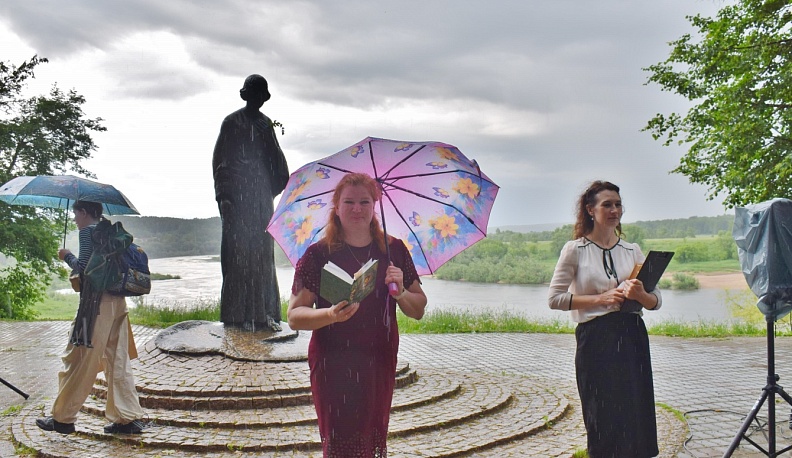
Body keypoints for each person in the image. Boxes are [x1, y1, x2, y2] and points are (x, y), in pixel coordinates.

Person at [287, 172, 427, 457]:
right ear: (336, 206)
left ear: (374, 205)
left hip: (378, 358)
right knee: (339, 440)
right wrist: (329, 314)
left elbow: (419, 308)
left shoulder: (394, 250)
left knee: (372, 436)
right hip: (333, 362)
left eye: (364, 201)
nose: (357, 209)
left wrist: (400, 293)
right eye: (349, 202)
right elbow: (294, 316)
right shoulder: (317, 255)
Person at [547, 180, 661, 458]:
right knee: (602, 411)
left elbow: (656, 300)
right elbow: (555, 299)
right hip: (596, 338)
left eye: (618, 204)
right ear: (590, 210)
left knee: (635, 409)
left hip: (632, 334)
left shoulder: (632, 250)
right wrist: (602, 299)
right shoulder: (575, 250)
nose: (614, 210)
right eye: (606, 204)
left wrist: (641, 294)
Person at [36, 200, 145, 435]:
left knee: (79, 360)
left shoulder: (88, 233)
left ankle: (63, 418)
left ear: (84, 212)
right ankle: (127, 419)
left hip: (95, 306)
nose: (75, 219)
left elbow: (85, 271)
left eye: (75, 214)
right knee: (118, 362)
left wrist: (67, 256)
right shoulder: (111, 232)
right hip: (118, 304)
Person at [212, 73, 289, 332]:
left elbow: (278, 164)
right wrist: (224, 197)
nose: (258, 100)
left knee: (261, 255)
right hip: (236, 197)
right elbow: (220, 162)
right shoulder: (231, 122)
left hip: (260, 198)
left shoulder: (266, 125)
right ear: (246, 95)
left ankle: (264, 313)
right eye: (254, 94)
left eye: (261, 96)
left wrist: (268, 141)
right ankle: (236, 315)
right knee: (237, 255)